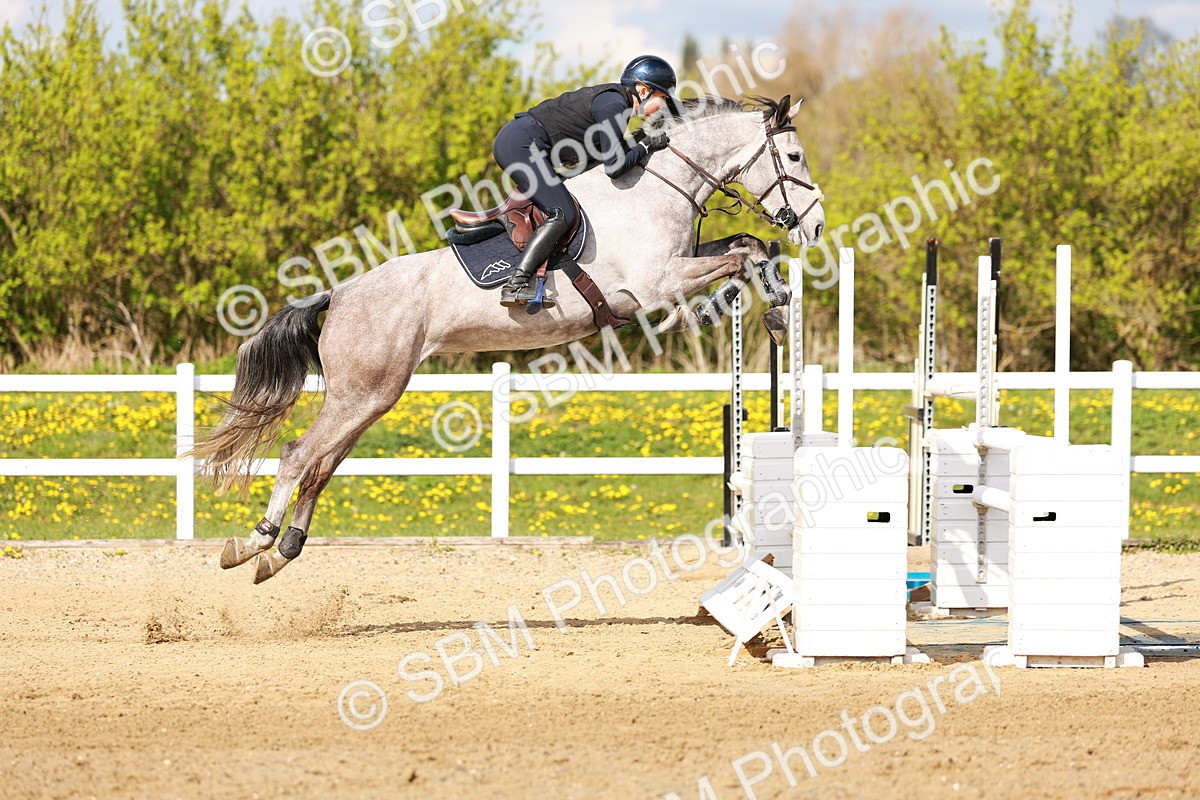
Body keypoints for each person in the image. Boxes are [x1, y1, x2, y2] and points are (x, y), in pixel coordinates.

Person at [494, 55, 678, 308]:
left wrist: (640, 142)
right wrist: (647, 145)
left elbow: (605, 155)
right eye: (663, 98)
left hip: (523, 142)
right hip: (521, 145)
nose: (663, 106)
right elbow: (614, 167)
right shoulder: (613, 106)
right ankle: (516, 284)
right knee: (563, 213)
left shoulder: (616, 105)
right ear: (643, 90)